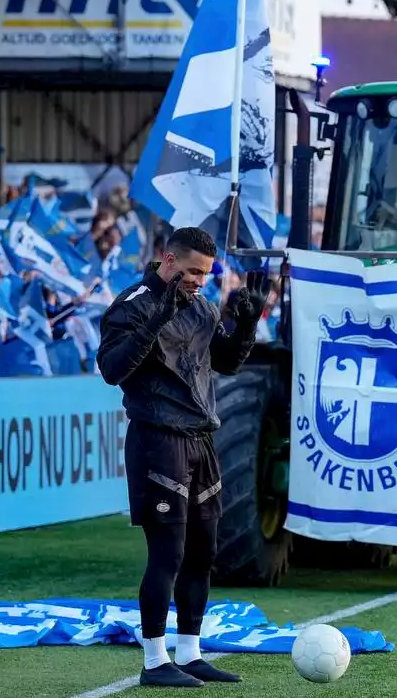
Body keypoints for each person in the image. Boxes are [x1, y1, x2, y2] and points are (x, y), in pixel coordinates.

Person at [96, 227, 262, 688]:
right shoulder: (132, 304)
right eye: (192, 272)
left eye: (206, 274)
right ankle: (154, 662)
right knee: (167, 552)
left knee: (202, 551)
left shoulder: (202, 307)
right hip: (157, 440)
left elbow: (226, 363)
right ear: (168, 260)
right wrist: (153, 322)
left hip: (201, 440)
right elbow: (111, 370)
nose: (199, 281)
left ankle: (189, 653)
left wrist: (247, 323)